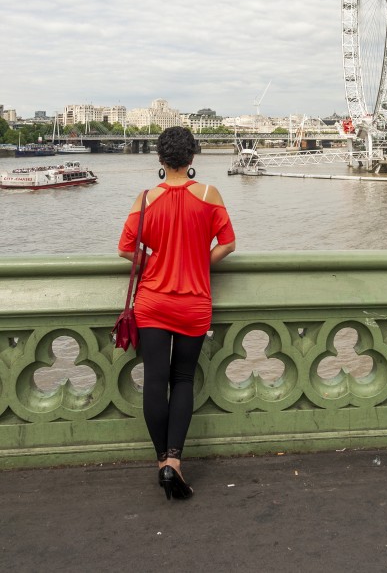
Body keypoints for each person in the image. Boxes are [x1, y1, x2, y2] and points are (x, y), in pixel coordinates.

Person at [118, 126, 236, 501]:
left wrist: (154, 259)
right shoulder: (208, 194)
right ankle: (175, 461)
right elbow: (228, 244)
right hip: (194, 303)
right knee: (182, 378)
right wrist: (199, 260)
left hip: (152, 302)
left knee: (154, 380)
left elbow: (125, 250)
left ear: (159, 159)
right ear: (193, 158)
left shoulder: (145, 199)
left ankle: (160, 462)